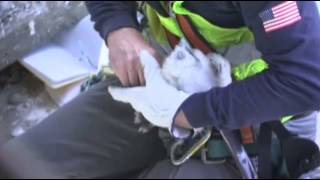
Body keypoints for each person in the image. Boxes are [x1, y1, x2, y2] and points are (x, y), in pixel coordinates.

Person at [1, 1, 320, 179]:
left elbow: (306, 80)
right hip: (156, 84)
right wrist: (117, 27)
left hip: (254, 128)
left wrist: (185, 112)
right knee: (21, 166)